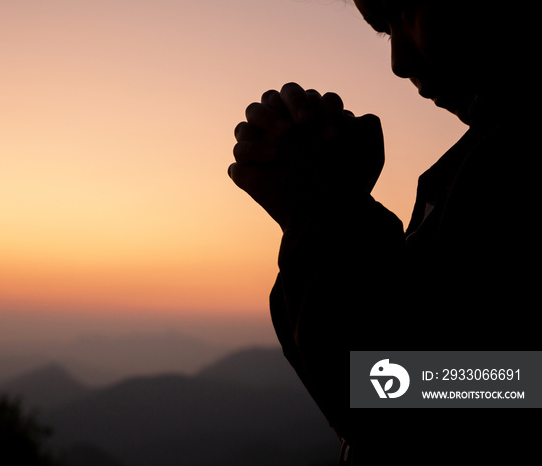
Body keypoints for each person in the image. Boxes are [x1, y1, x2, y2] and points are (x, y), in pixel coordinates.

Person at [228, 1, 540, 465]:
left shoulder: (520, 170)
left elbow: (409, 396)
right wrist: (321, 207)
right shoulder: (480, 168)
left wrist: (320, 210)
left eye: (408, 8)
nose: (398, 61)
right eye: (383, 29)